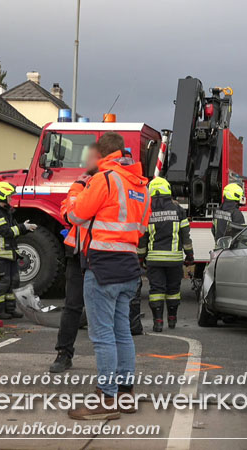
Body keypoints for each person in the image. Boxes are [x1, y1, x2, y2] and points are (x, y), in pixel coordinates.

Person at [66, 132, 150, 420]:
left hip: (102, 266)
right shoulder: (140, 185)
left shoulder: (104, 179)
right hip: (128, 265)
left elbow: (75, 215)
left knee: (102, 336)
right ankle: (125, 394)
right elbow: (140, 227)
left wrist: (76, 190)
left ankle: (106, 397)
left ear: (101, 155)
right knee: (122, 332)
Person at [49, 151, 94, 373]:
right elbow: (68, 213)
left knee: (106, 309)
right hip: (78, 253)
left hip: (101, 254)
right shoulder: (84, 184)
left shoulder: (108, 184)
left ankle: (113, 363)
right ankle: (63, 354)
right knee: (72, 306)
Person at [137, 177, 194, 332]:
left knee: (156, 290)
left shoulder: (147, 211)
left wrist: (140, 258)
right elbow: (185, 236)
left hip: (154, 260)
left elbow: (143, 238)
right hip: (174, 260)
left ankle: (158, 322)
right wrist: (189, 256)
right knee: (173, 290)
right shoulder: (179, 210)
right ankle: (172, 319)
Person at [0, 182, 37, 320]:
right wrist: (23, 227)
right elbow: (6, 231)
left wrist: (25, 228)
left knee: (13, 282)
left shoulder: (5, 212)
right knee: (1, 284)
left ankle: (10, 309)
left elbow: (13, 230)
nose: (11, 198)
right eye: (9, 196)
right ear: (2, 196)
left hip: (9, 254)